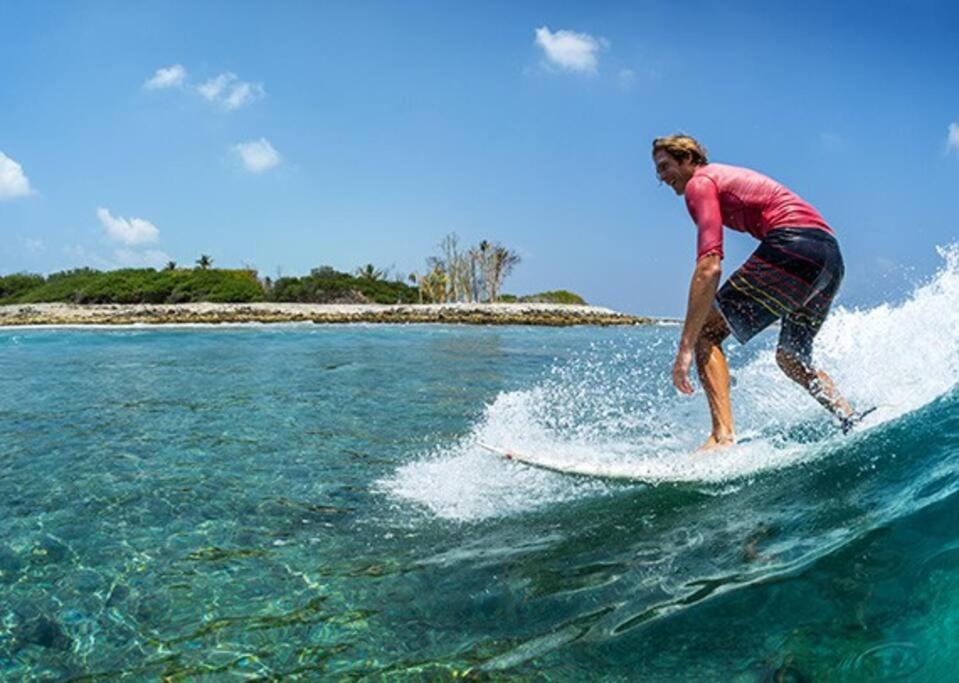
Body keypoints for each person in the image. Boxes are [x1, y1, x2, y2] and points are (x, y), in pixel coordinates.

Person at [652, 134, 866, 450]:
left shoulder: (701, 182)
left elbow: (710, 265)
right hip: (829, 258)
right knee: (791, 357)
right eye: (658, 171)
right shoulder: (723, 176)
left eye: (665, 166)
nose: (662, 177)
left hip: (795, 245)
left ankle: (722, 437)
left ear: (688, 159)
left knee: (706, 332)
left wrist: (685, 347)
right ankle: (850, 416)